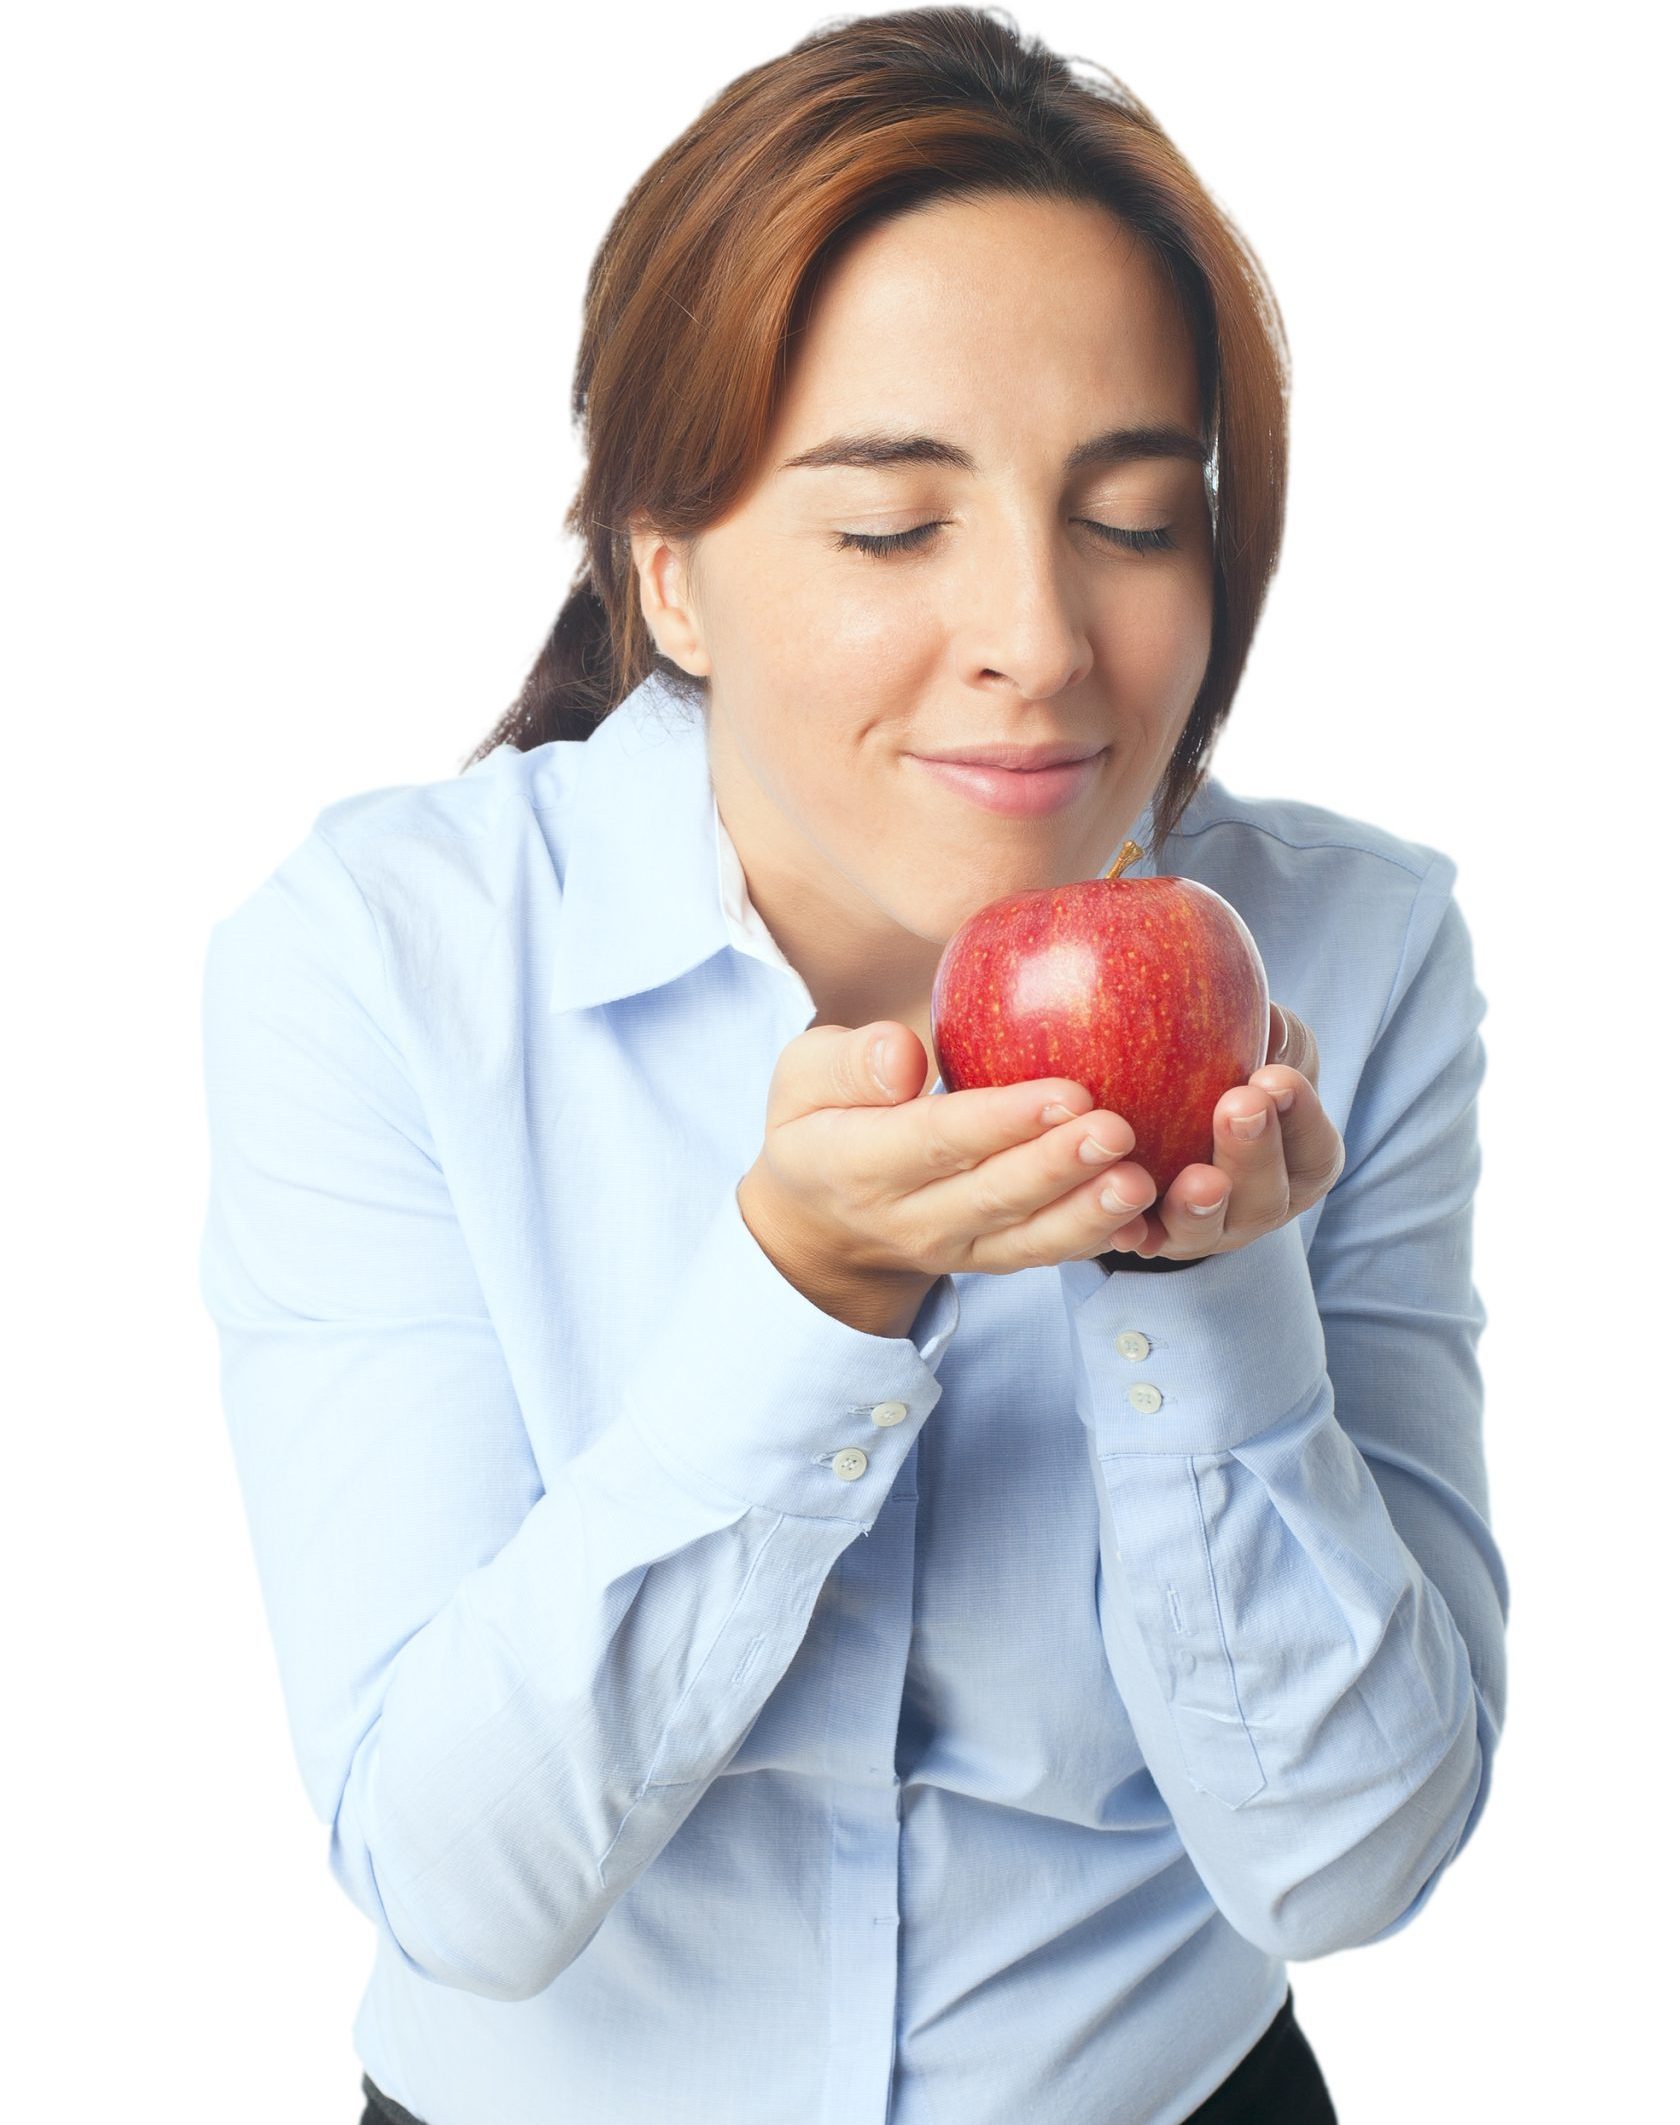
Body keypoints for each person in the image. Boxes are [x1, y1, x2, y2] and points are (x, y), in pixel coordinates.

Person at [198, 10, 1507, 2122]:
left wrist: (1204, 1298)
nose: (1045, 637)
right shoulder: (385, 962)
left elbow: (1350, 1857)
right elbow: (457, 1877)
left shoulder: (1351, 956)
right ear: (667, 571)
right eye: (896, 526)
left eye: (1136, 516)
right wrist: (808, 1298)